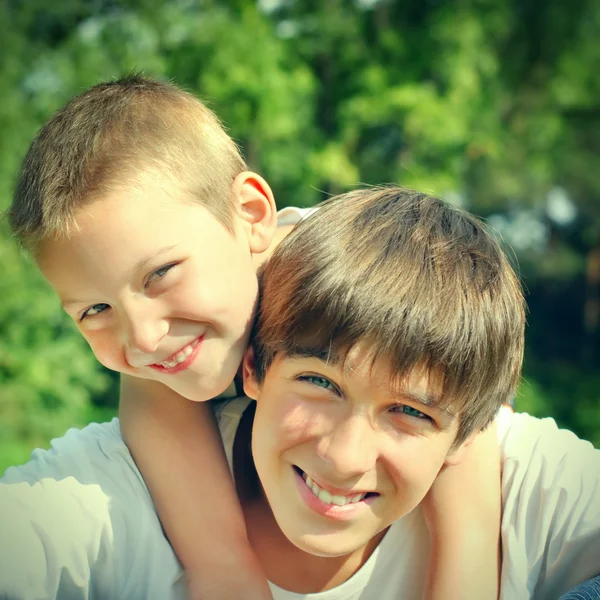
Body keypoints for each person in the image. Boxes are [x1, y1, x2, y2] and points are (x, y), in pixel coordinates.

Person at [3, 76, 501, 598]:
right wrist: (225, 568)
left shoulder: (337, 278)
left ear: (253, 215)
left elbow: (457, 395)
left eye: (161, 274)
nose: (145, 338)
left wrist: (465, 569)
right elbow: (152, 402)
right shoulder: (172, 347)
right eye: (95, 310)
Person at [2, 187, 598, 599]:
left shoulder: (520, 484)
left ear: (468, 433)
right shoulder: (120, 491)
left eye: (409, 412)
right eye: (319, 382)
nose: (344, 457)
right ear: (256, 366)